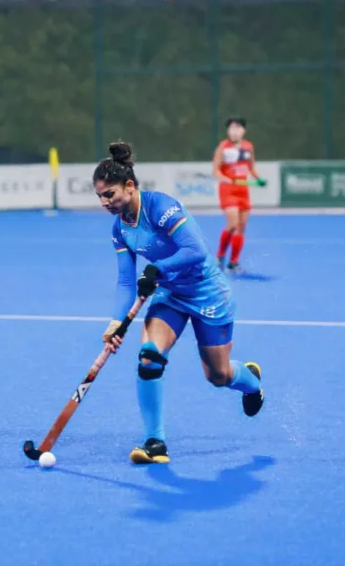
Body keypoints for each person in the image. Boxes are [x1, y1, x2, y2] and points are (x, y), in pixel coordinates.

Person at [95, 142, 265, 464]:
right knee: (149, 357)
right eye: (100, 196)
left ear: (129, 186)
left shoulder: (160, 207)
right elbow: (126, 281)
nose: (105, 202)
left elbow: (196, 250)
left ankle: (251, 381)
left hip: (206, 292)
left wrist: (158, 269)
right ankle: (155, 442)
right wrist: (117, 322)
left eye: (110, 194)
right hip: (170, 295)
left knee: (218, 376)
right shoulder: (120, 229)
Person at [212, 117, 266, 275]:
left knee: (241, 227)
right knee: (232, 224)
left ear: (243, 130)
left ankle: (233, 263)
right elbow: (216, 170)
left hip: (243, 191)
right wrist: (225, 178)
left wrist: (258, 179)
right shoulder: (223, 147)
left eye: (238, 128)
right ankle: (220, 256)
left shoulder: (248, 147)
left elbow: (251, 168)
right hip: (228, 190)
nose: (234, 131)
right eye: (231, 128)